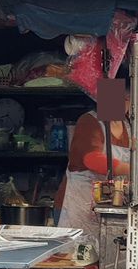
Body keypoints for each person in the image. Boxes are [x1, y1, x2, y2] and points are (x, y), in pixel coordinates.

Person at [54, 94, 131, 245]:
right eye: (118, 96)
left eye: (127, 98)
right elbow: (91, 159)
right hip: (76, 206)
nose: (123, 103)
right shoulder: (89, 121)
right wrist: (130, 169)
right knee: (75, 257)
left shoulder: (127, 125)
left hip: (106, 206)